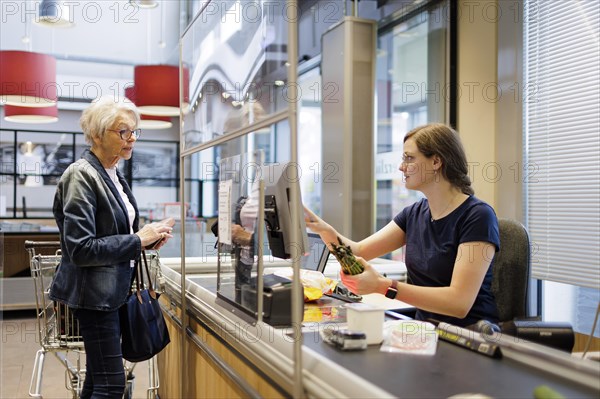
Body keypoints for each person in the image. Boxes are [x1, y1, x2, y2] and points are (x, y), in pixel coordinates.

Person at [305, 123, 500, 328]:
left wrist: (384, 286)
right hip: (425, 331)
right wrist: (321, 228)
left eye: (409, 158)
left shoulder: (478, 216)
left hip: (468, 335)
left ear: (436, 161)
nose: (401, 166)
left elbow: (458, 303)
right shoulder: (414, 213)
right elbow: (358, 251)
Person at [49, 96, 175, 398]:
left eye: (134, 131)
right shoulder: (81, 175)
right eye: (122, 131)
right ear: (96, 134)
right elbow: (80, 248)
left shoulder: (113, 174)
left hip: (111, 294)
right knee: (111, 384)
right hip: (94, 298)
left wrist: (146, 241)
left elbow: (114, 234)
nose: (131, 138)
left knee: (98, 378)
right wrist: (136, 240)